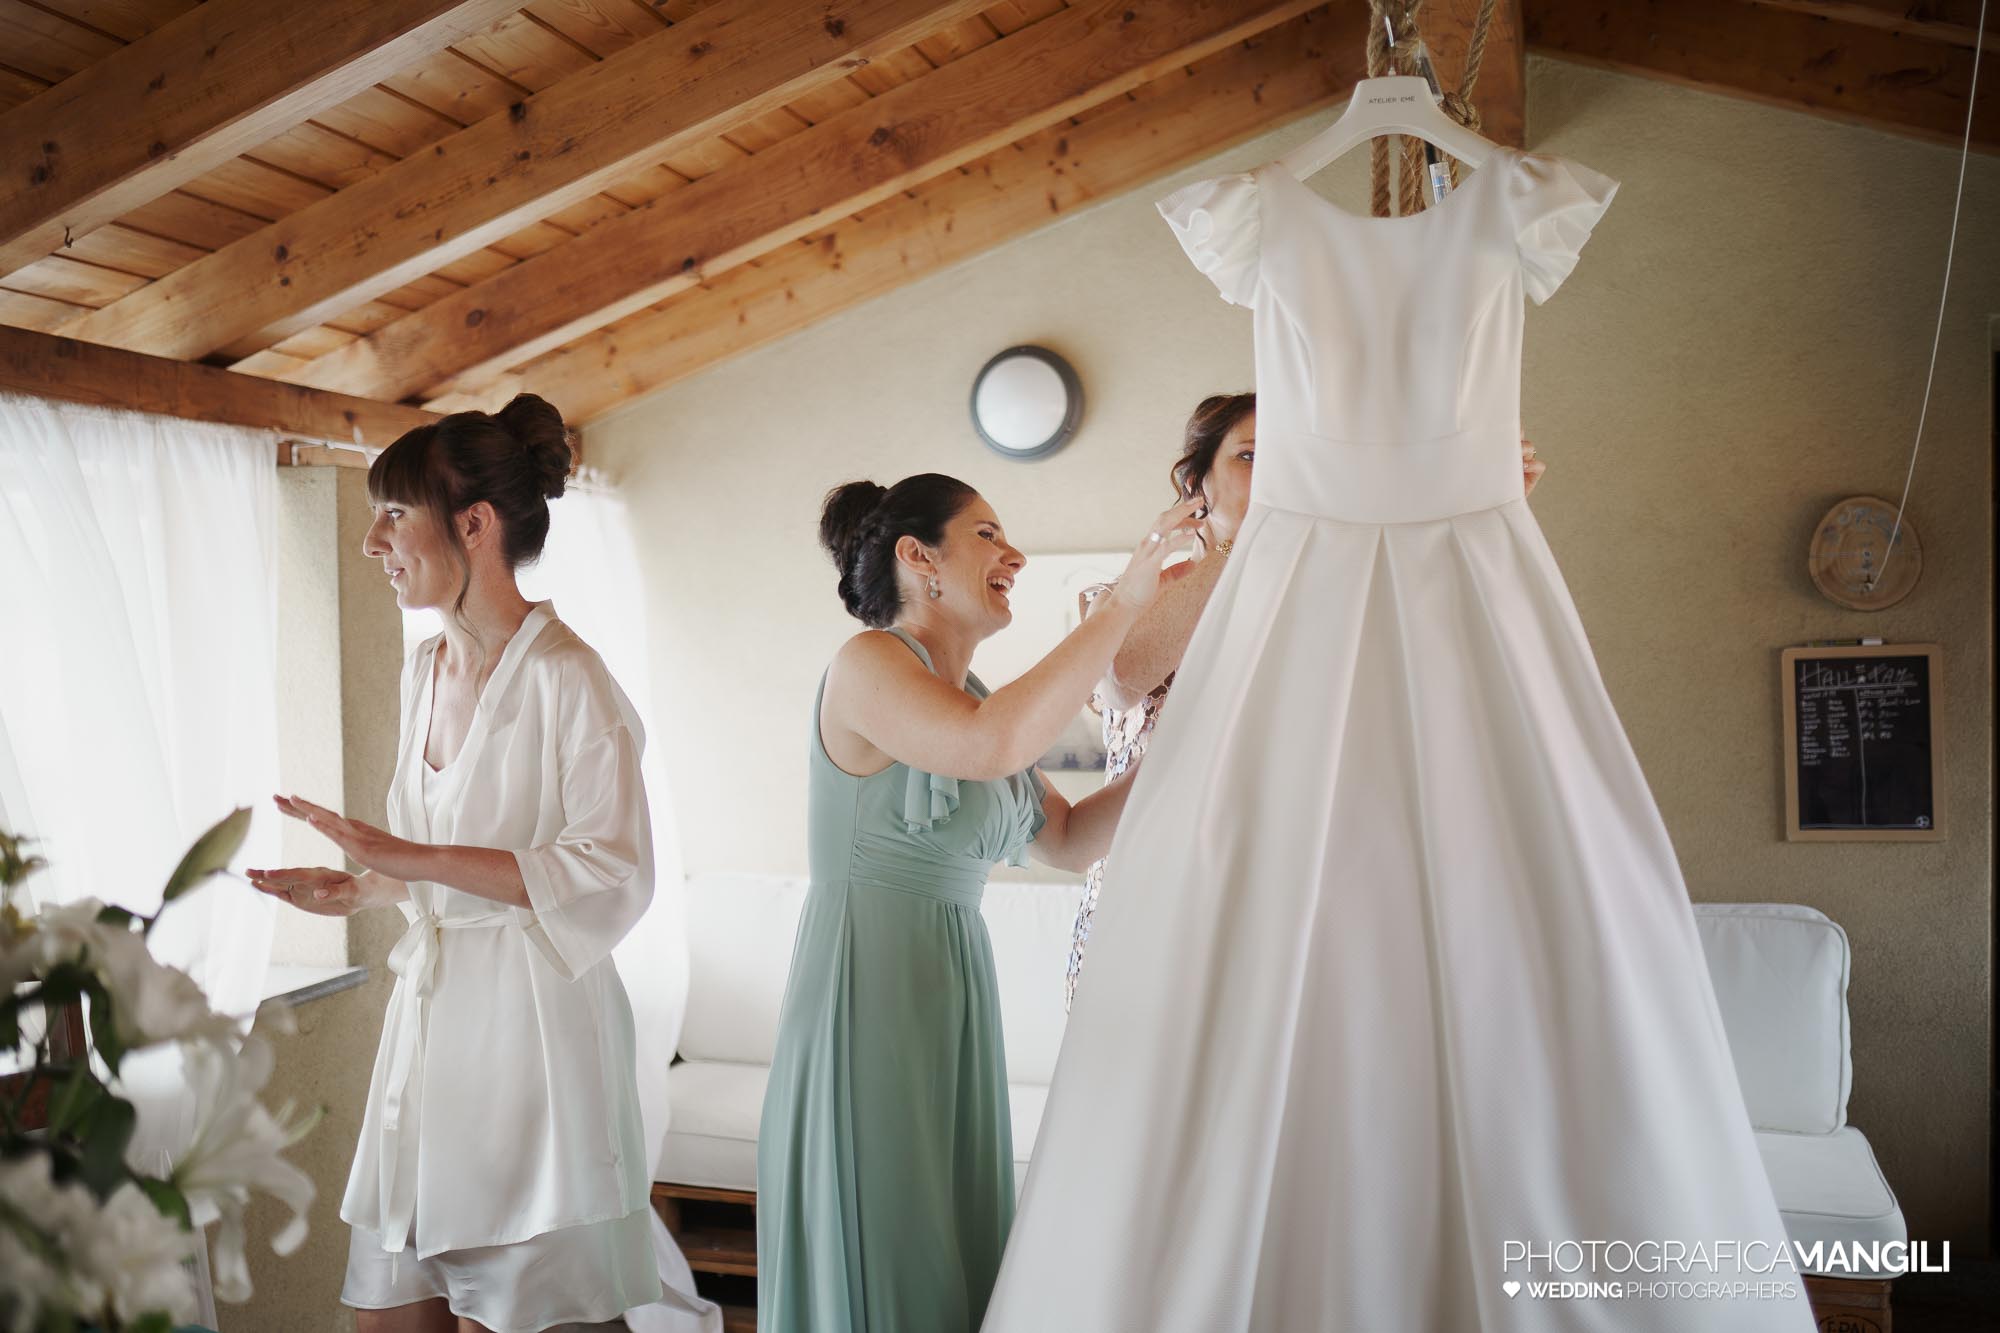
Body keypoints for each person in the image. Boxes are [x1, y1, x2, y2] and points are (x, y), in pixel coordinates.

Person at [247, 396, 664, 1333]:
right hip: (431, 1034)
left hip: (536, 1042)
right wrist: (365, 887)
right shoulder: (424, 667)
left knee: (526, 1314)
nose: (371, 542)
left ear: (474, 525)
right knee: (388, 1315)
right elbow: (440, 872)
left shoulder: (570, 678)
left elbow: (611, 870)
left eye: (394, 514)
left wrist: (413, 855)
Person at [755, 474, 1201, 1333]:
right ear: (918, 558)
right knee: (891, 1250)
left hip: (951, 992)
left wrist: (1194, 738)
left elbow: (1066, 838)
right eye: (989, 534)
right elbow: (989, 746)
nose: (1015, 554)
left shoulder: (980, 697)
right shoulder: (869, 663)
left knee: (954, 1256)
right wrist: (1129, 599)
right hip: (867, 995)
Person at [1063, 392, 1548, 1009]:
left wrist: (1479, 513)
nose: (1277, 474)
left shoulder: (1334, 608)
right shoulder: (1122, 597)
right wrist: (1258, 535)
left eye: (1293, 460)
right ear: (1196, 483)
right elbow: (1124, 676)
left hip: (1291, 905)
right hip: (1159, 901)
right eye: (1252, 456)